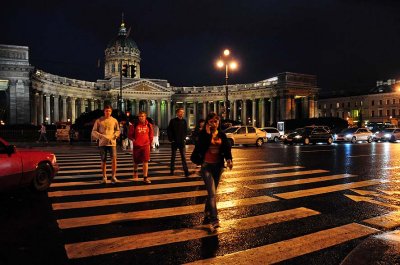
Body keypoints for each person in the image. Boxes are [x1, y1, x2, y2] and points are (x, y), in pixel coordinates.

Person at [194, 112, 233, 232]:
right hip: (206, 166)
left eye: (216, 121)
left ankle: (207, 210)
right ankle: (214, 219)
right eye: (211, 121)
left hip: (218, 167)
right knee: (212, 194)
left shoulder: (222, 134)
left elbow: (226, 148)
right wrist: (206, 134)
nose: (214, 124)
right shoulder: (203, 134)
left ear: (218, 122)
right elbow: (199, 147)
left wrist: (229, 160)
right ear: (208, 123)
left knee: (212, 192)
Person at [91, 105, 120, 184]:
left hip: (112, 143)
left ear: (111, 112)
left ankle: (113, 176)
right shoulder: (99, 120)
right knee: (103, 160)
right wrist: (101, 136)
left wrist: (115, 136)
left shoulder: (114, 120)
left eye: (109, 111)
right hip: (102, 143)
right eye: (106, 111)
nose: (108, 112)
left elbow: (118, 130)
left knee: (114, 160)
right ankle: (104, 177)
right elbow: (93, 131)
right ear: (104, 111)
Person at [128, 111, 153, 184]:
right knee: (136, 161)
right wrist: (134, 140)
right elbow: (130, 135)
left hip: (146, 146)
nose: (141, 117)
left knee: (145, 161)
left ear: (145, 117)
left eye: (142, 116)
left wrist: (150, 144)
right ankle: (135, 171)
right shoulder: (134, 125)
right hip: (137, 146)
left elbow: (151, 136)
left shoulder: (149, 125)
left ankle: (145, 177)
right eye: (139, 116)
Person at [167, 107, 190, 177]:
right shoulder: (173, 121)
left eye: (183, 112)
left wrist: (184, 139)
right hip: (174, 141)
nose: (182, 113)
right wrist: (171, 139)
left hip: (182, 142)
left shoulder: (184, 121)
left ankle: (186, 171)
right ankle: (171, 170)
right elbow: (169, 130)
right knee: (173, 157)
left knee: (183, 157)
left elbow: (186, 131)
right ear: (177, 113)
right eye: (180, 112)